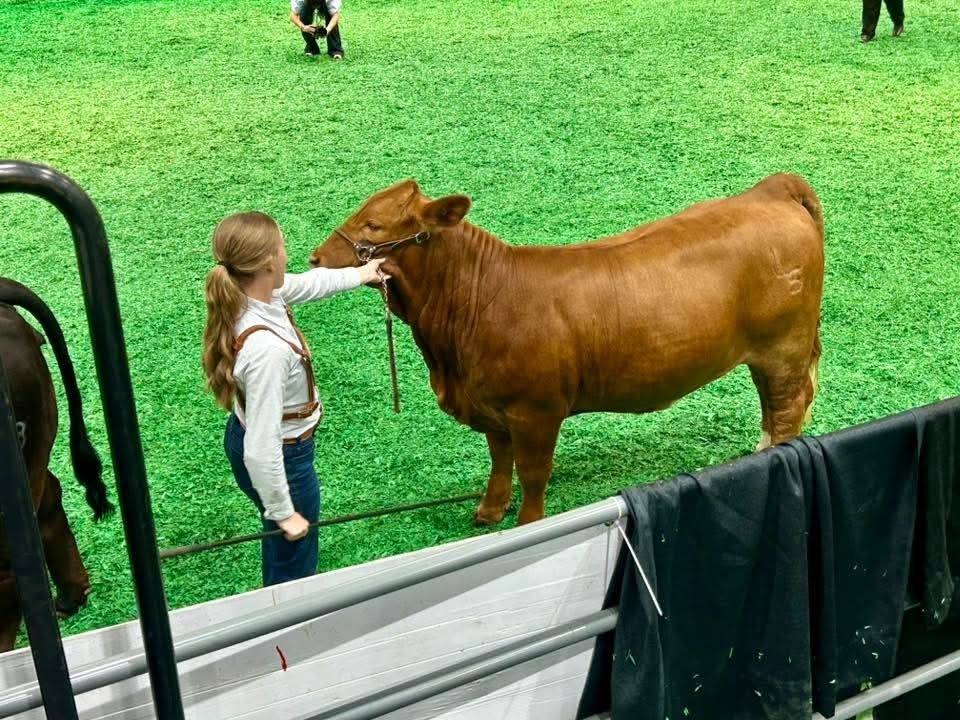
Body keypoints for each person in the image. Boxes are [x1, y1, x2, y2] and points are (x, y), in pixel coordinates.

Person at [202, 211, 384, 585]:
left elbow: (310, 284)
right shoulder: (267, 351)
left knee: (279, 541)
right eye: (283, 247)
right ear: (269, 262)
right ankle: (287, 632)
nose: (288, 254)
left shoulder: (254, 293)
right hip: (284, 456)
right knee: (293, 562)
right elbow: (260, 449)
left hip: (255, 438)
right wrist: (284, 512)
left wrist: (361, 274)